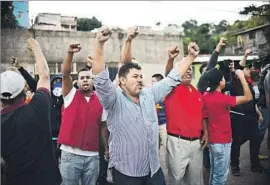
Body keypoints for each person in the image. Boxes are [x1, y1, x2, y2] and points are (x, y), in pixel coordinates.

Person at [92, 26, 199, 185]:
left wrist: (190, 57)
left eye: (141, 76)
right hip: (127, 172)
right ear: (122, 81)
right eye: (135, 76)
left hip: (153, 170)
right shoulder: (113, 99)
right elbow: (100, 79)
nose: (140, 79)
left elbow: (173, 78)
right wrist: (99, 45)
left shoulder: (149, 94)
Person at [1, 38, 62, 185]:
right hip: (48, 180)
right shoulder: (39, 107)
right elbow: (44, 76)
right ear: (24, 90)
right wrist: (36, 47)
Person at [58, 43, 108, 185]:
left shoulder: (101, 100)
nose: (85, 79)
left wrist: (106, 148)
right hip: (70, 156)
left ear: (93, 81)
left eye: (88, 77)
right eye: (82, 78)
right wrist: (69, 54)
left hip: (92, 156)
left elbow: (103, 126)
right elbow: (65, 74)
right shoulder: (70, 95)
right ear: (77, 82)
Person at [164, 45, 207, 185]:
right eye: (184, 69)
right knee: (175, 180)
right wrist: (171, 59)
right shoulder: (172, 88)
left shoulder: (197, 93)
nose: (188, 71)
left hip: (196, 143)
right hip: (177, 142)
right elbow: (169, 74)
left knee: (195, 181)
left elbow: (203, 115)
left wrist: (205, 132)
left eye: (190, 69)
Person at [202, 68, 252, 185]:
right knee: (221, 176)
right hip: (222, 141)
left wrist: (206, 133)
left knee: (214, 173)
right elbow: (248, 97)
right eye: (223, 78)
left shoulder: (206, 95)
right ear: (220, 82)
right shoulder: (223, 99)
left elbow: (204, 116)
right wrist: (242, 78)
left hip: (213, 141)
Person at [11, 56, 64, 163]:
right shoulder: (46, 96)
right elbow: (32, 82)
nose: (58, 86)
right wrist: (19, 67)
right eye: (56, 82)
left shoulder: (68, 98)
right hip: (48, 139)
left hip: (64, 141)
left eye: (61, 83)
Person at [196, 37, 227, 185]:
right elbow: (210, 65)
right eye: (206, 72)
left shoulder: (217, 90)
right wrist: (218, 48)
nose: (209, 73)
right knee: (207, 162)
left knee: (216, 163)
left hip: (217, 132)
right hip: (205, 130)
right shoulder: (201, 87)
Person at [230, 50, 265, 175]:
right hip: (239, 119)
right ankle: (234, 166)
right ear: (239, 73)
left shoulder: (248, 86)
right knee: (237, 143)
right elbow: (239, 68)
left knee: (255, 142)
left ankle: (255, 165)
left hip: (251, 118)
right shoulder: (234, 83)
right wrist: (245, 55)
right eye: (246, 69)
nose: (249, 71)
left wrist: (259, 113)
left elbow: (253, 102)